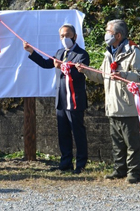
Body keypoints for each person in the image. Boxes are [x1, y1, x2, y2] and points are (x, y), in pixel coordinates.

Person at [78, 20, 140, 183]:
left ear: (118, 35)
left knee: (132, 143)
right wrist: (85, 71)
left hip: (128, 105)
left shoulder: (134, 51)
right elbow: (102, 76)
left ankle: (133, 172)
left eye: (108, 31)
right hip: (112, 104)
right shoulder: (109, 53)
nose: (106, 34)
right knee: (117, 142)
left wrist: (123, 75)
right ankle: (119, 169)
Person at [23, 24, 90, 174]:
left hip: (75, 99)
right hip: (61, 99)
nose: (65, 39)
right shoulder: (60, 53)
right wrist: (32, 52)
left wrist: (65, 67)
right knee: (63, 132)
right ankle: (65, 162)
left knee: (78, 132)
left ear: (75, 37)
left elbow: (81, 72)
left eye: (67, 35)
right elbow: (47, 64)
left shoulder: (82, 54)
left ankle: (80, 164)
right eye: (62, 36)